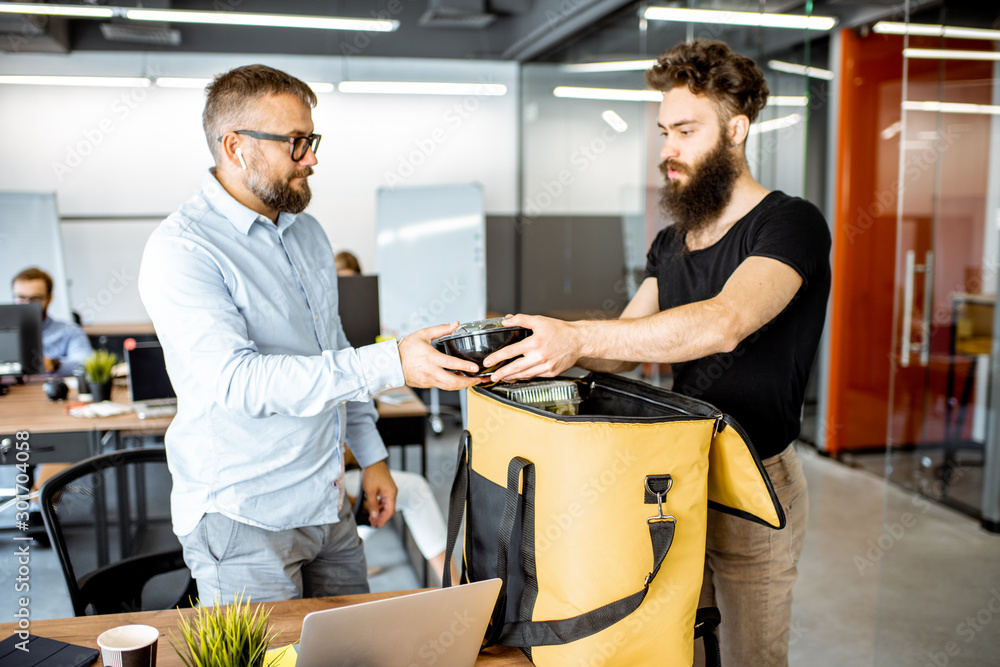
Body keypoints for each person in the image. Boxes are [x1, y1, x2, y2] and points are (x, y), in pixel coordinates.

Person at [483, 39, 831, 666]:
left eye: (686, 131)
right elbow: (622, 349)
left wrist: (579, 339)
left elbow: (724, 323)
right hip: (677, 470)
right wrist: (537, 338)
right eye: (664, 131)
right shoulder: (673, 239)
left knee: (753, 654)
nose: (667, 150)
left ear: (736, 130)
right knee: (674, 642)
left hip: (758, 479)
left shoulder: (790, 224)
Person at [138, 64, 481, 604]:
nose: (313, 159)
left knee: (352, 655)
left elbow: (335, 350)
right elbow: (239, 382)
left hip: (326, 504)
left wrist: (373, 459)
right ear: (236, 147)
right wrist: (393, 362)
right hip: (243, 516)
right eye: (296, 143)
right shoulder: (182, 250)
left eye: (312, 140)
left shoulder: (308, 234)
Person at [11, 266, 92, 376]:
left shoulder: (70, 331)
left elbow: (87, 364)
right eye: (21, 298)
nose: (27, 304)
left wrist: (54, 364)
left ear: (49, 298)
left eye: (35, 298)